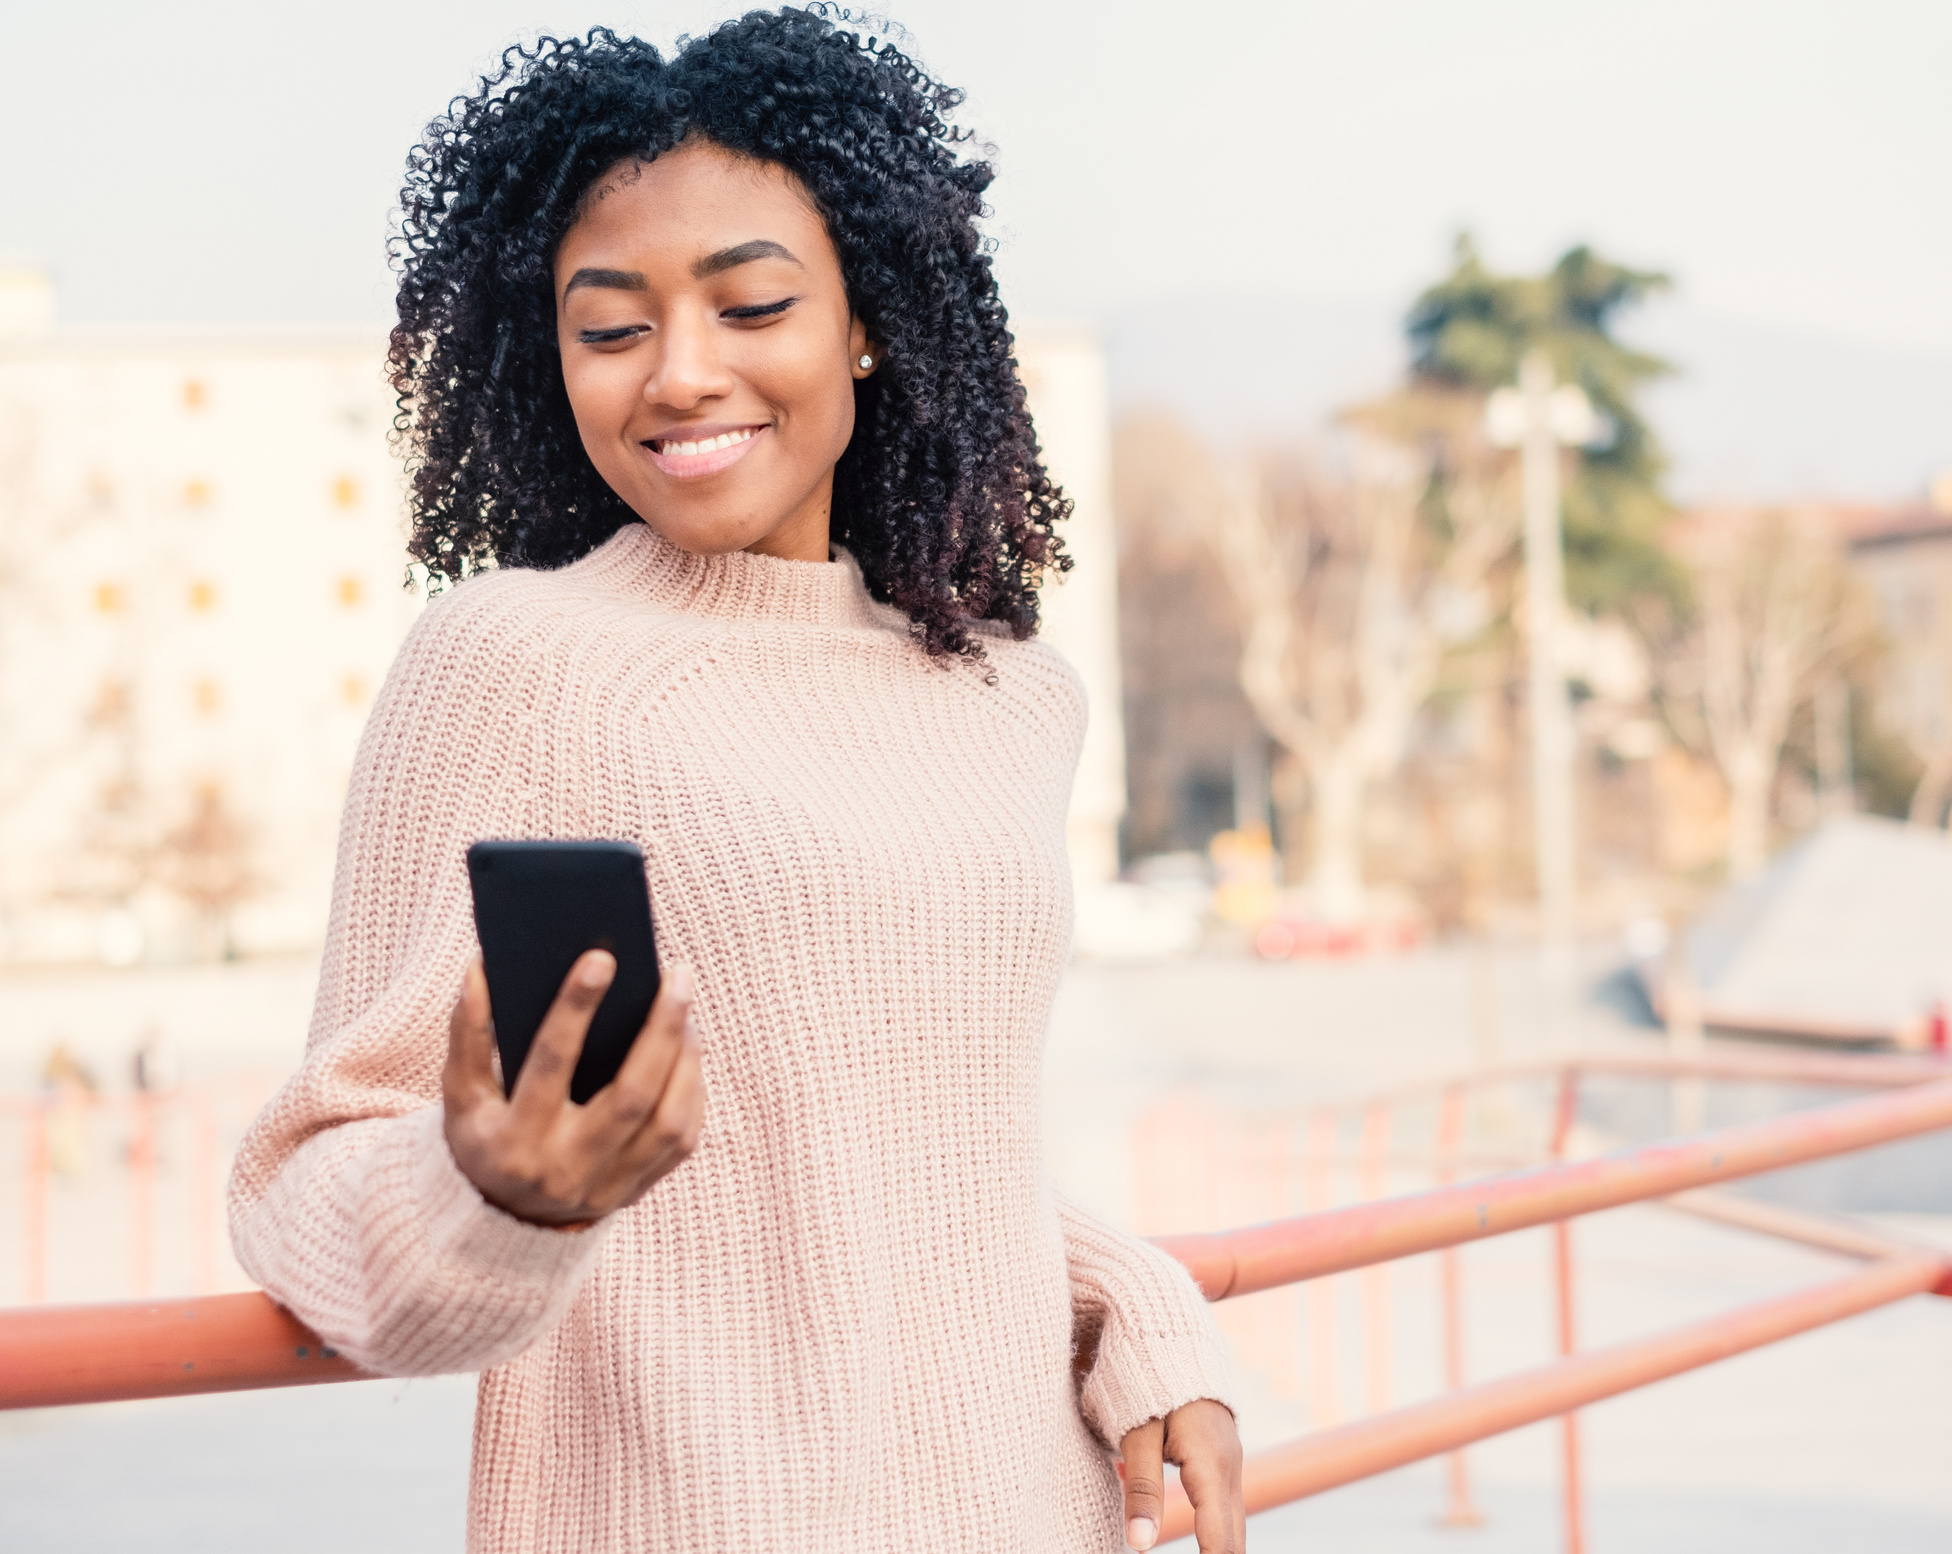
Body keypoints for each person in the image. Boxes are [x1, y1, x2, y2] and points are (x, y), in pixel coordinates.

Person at [226, 10, 1242, 1552]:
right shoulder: (514, 659)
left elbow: (903, 1156)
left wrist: (1136, 1303)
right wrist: (502, 1193)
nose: (681, 376)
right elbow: (305, 1178)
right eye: (612, 326)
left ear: (865, 320)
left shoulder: (1010, 696)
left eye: (751, 302)